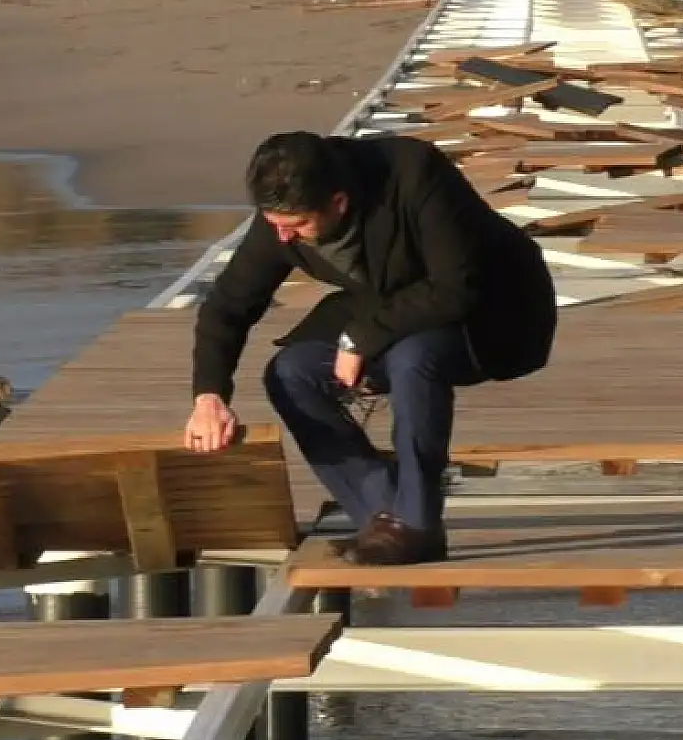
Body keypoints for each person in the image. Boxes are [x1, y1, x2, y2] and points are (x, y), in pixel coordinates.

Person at [183, 130, 558, 565]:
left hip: (493, 309)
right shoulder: (283, 216)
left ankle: (417, 525)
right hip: (387, 306)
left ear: (339, 203)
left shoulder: (414, 172)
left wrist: (361, 337)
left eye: (298, 226)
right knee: (291, 372)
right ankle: (384, 517)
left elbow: (456, 287)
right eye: (274, 225)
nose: (284, 238)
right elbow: (228, 304)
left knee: (412, 356)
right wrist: (209, 396)